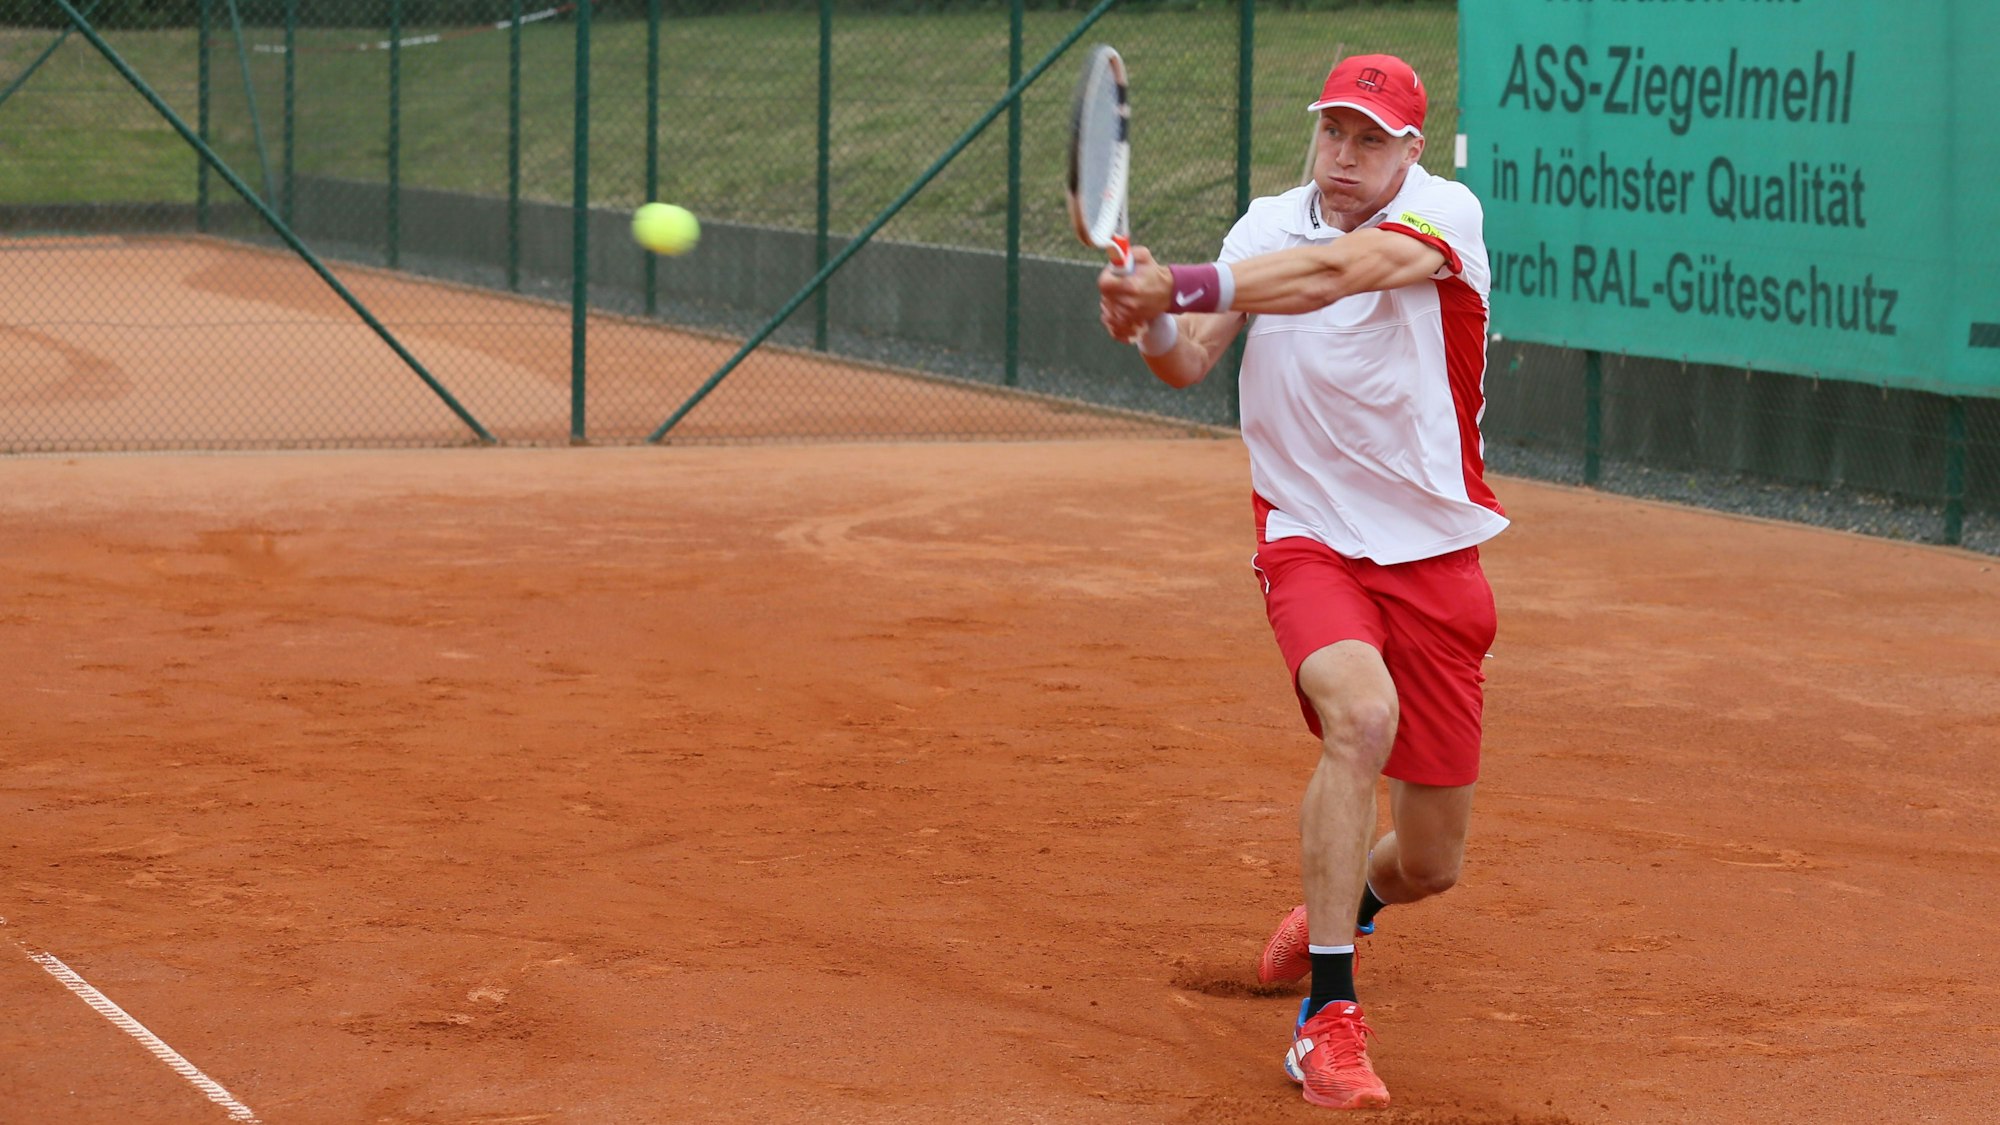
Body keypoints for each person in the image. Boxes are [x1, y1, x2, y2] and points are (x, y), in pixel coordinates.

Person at [1098, 53, 1504, 1111]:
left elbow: (1342, 276)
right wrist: (1150, 317)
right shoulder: (1263, 225)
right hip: (1307, 538)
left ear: (1409, 151)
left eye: (1369, 139)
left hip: (1434, 560)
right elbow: (1188, 363)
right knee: (1357, 719)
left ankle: (1349, 899)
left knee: (1429, 863)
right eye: (1332, 132)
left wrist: (1178, 281)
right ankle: (1326, 1017)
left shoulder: (1444, 216)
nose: (1343, 157)